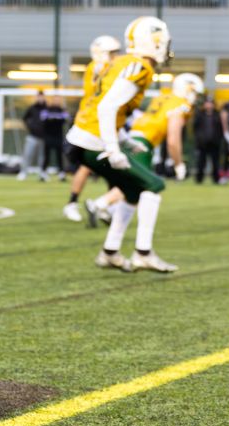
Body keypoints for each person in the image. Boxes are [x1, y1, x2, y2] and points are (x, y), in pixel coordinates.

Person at [66, 16, 176, 272]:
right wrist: (114, 149)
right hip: (93, 142)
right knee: (154, 184)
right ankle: (143, 253)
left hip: (83, 138)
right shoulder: (140, 67)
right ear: (153, 42)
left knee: (133, 192)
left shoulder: (124, 62)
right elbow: (106, 106)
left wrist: (124, 140)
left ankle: (110, 252)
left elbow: (106, 107)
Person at [63, 36, 120, 222]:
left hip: (99, 124)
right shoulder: (100, 67)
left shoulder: (98, 67)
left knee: (111, 168)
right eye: (113, 53)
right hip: (92, 125)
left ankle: (106, 206)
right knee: (88, 166)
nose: (117, 56)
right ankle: (74, 203)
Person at [191, 92, 224, 186]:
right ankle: (199, 179)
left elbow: (221, 129)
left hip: (214, 143)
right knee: (201, 162)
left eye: (210, 103)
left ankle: (216, 179)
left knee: (215, 162)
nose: (209, 105)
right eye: (207, 103)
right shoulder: (199, 115)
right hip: (202, 143)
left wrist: (218, 139)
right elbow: (195, 129)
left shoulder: (217, 115)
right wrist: (199, 139)